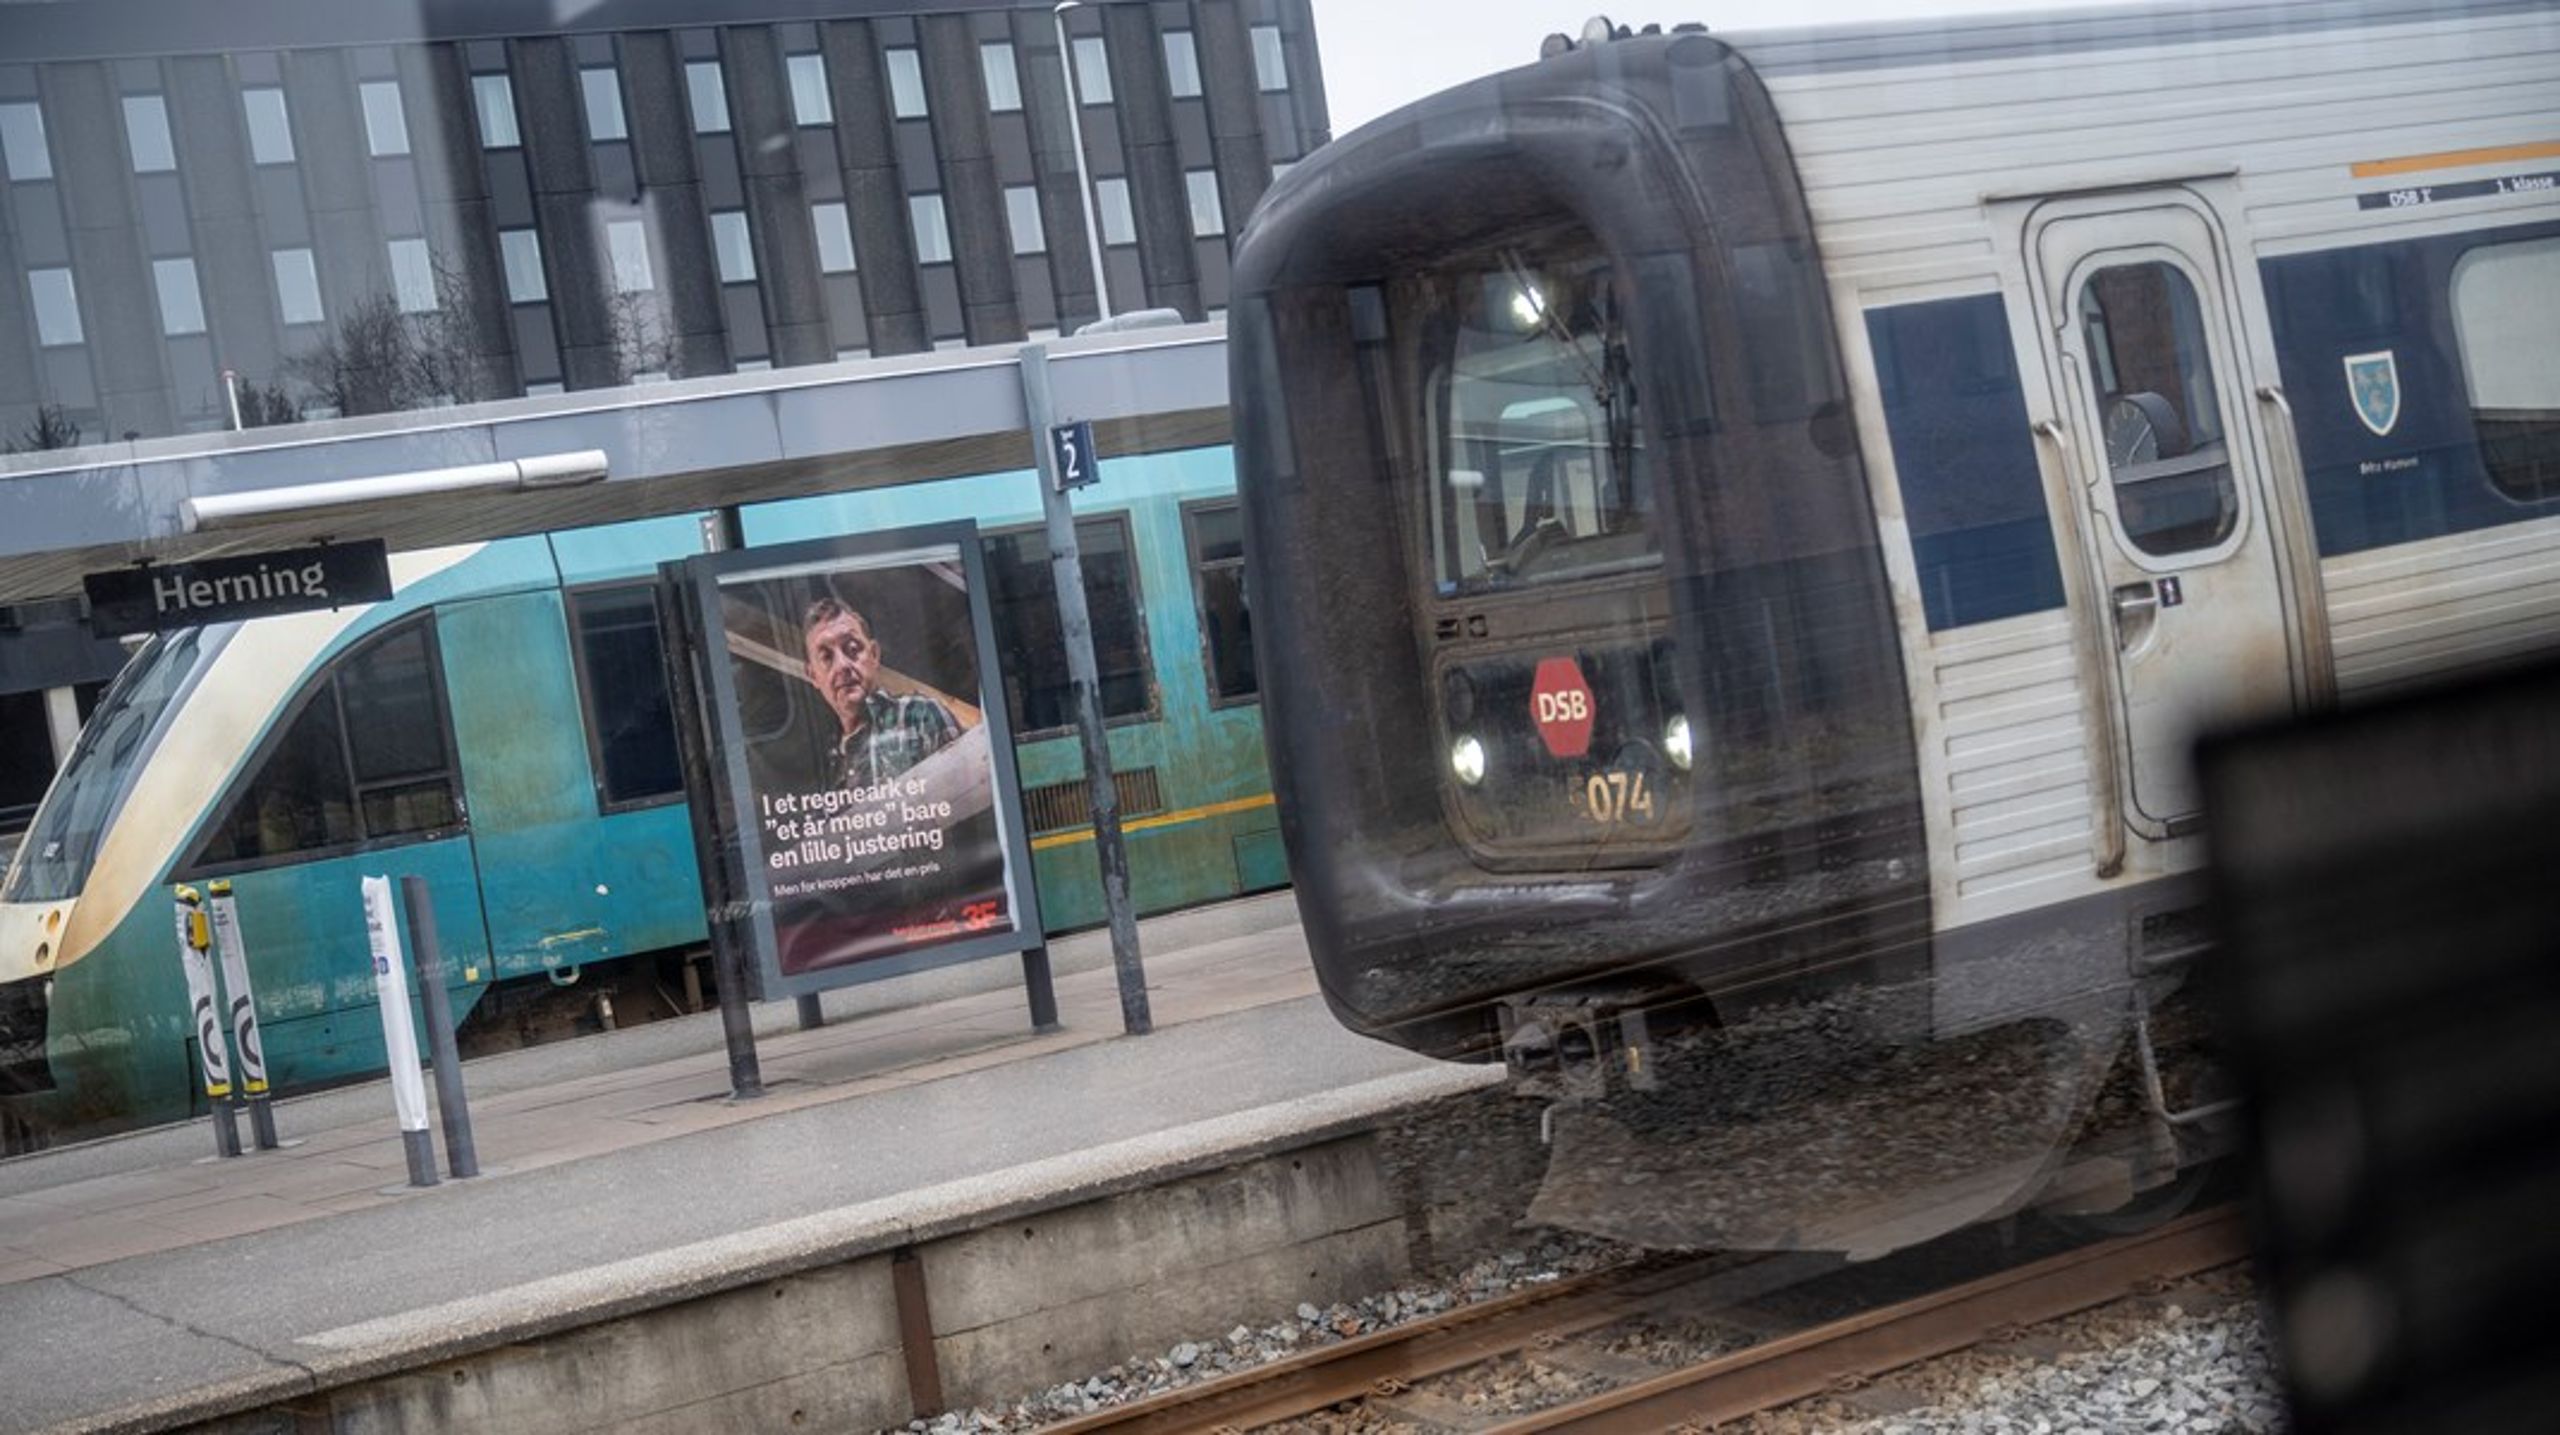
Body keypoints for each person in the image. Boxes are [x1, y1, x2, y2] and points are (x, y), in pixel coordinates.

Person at [801, 596, 961, 790]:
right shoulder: (825, 767)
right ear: (813, 676)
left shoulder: (920, 716)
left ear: (874, 654)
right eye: (826, 657)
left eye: (852, 648)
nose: (842, 665)